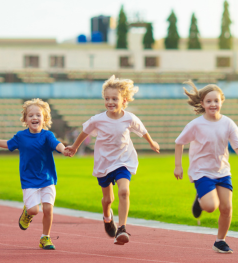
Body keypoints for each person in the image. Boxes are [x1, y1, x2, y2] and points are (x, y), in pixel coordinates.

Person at [65, 75, 160, 245]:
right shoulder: (98, 119)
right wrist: (74, 147)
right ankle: (107, 217)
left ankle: (122, 228)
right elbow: (84, 132)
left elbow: (142, 130)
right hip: (104, 162)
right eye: (107, 98)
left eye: (114, 98)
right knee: (108, 199)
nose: (110, 102)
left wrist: (152, 143)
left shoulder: (129, 118)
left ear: (123, 100)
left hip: (123, 160)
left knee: (124, 191)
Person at [174, 82, 238, 254]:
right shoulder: (196, 124)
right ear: (202, 104)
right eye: (209, 101)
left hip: (222, 171)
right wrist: (178, 166)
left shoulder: (228, 123)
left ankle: (220, 241)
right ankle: (201, 200)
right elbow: (179, 143)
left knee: (226, 208)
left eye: (216, 101)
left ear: (222, 101)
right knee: (210, 206)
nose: (213, 104)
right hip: (202, 172)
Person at [0, 98, 66, 250]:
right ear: (25, 119)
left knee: (48, 208)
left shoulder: (47, 135)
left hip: (47, 178)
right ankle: (27, 212)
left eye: (38, 115)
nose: (35, 118)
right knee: (33, 210)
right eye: (31, 115)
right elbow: (8, 144)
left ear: (45, 119)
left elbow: (57, 144)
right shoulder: (21, 136)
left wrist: (64, 150)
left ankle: (45, 238)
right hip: (29, 180)